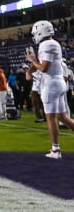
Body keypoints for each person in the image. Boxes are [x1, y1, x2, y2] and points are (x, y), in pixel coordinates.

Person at [25, 20, 74, 159]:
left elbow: (44, 67)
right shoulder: (52, 43)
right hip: (57, 82)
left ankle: (55, 150)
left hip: (51, 83)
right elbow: (41, 64)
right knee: (62, 117)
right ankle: (55, 149)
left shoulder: (46, 44)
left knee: (51, 117)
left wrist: (32, 61)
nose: (35, 35)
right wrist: (30, 70)